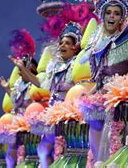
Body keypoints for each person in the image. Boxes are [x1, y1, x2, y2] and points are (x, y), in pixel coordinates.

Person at [13, 23, 82, 168]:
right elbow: (39, 82)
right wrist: (23, 70)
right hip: (53, 113)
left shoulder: (77, 64)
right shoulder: (54, 66)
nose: (62, 45)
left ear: (75, 47)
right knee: (43, 149)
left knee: (64, 149)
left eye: (67, 43)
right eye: (61, 42)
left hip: (70, 113)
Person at [83, 0, 128, 163]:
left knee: (112, 146)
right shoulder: (96, 43)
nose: (111, 17)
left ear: (122, 18)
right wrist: (89, 95)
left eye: (116, 13)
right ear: (103, 15)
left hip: (117, 102)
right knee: (95, 147)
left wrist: (123, 90)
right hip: (99, 100)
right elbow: (98, 77)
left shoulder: (127, 41)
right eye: (108, 12)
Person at [0, 56, 37, 168]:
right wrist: (6, 88)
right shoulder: (19, 84)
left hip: (30, 119)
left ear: (32, 67)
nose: (19, 71)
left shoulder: (35, 81)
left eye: (21, 67)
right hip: (18, 120)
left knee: (30, 148)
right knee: (12, 145)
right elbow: (15, 100)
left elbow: (31, 101)